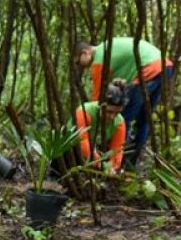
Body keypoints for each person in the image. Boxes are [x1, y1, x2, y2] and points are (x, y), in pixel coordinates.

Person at [74, 37, 173, 167]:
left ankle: (118, 164)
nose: (79, 66)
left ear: (85, 53)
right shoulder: (106, 47)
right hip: (165, 66)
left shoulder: (99, 59)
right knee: (144, 120)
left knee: (120, 118)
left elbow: (98, 100)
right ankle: (130, 164)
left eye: (77, 62)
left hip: (148, 68)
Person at [75, 79, 127, 173]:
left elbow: (117, 148)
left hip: (98, 151)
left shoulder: (119, 121)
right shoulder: (84, 111)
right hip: (75, 149)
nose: (112, 117)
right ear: (100, 105)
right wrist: (99, 163)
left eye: (117, 113)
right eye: (109, 111)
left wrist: (112, 167)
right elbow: (82, 140)